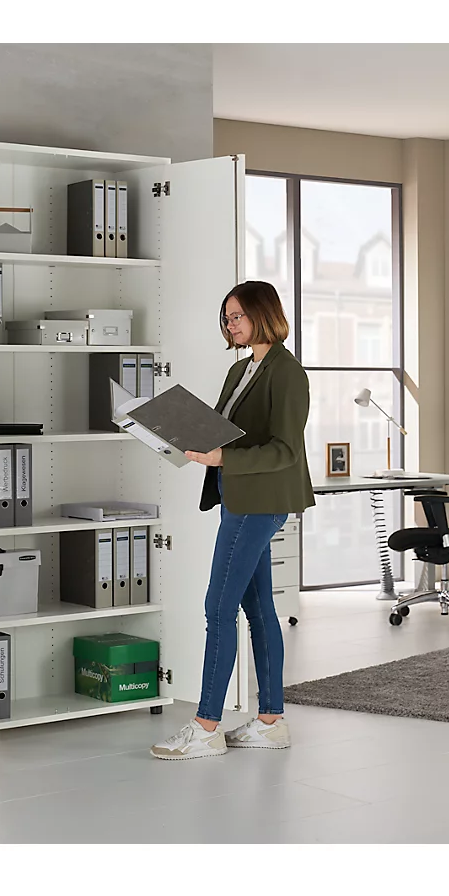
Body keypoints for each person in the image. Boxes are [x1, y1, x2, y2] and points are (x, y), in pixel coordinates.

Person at [151, 281, 314, 760]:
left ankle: (206, 726)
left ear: (263, 314)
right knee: (258, 607)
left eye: (238, 315)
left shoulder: (287, 373)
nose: (230, 324)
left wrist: (224, 458)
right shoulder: (240, 369)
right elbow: (229, 435)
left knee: (217, 607)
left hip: (258, 502)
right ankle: (271, 721)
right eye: (226, 317)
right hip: (237, 496)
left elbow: (286, 449)